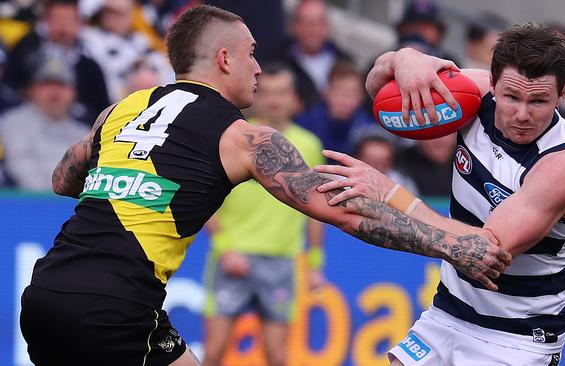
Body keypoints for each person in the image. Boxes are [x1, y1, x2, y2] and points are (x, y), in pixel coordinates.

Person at [19, 6, 511, 366]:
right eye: (252, 55)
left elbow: (64, 179)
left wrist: (125, 173)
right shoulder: (245, 138)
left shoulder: (121, 108)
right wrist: (450, 243)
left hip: (44, 296)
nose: (259, 67)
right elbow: (345, 211)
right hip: (114, 309)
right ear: (226, 58)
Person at [315, 23, 565, 365]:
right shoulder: (473, 93)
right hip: (446, 313)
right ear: (491, 81)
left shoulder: (564, 163)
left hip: (517, 337)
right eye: (511, 97)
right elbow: (379, 92)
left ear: (562, 94)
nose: (522, 114)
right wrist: (403, 59)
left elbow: (486, 250)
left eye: (539, 101)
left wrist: (387, 192)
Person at [202, 62, 326, 366]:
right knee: (214, 352)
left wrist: (314, 264)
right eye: (268, 92)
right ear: (257, 95)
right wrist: (224, 248)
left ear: (294, 98)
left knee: (277, 356)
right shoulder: (234, 137)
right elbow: (204, 200)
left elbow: (315, 211)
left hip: (281, 261)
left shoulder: (309, 145)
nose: (274, 100)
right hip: (233, 257)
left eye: (282, 92)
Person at [5, 0, 110, 126]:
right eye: (57, 20)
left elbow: (102, 112)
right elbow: (9, 92)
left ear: (79, 24)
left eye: (69, 21)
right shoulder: (25, 53)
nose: (63, 28)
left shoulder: (90, 69)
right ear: (45, 21)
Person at [0, 50, 88, 191]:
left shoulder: (84, 132)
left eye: (61, 84)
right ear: (31, 90)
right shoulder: (11, 123)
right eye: (46, 83)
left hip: (72, 206)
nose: (54, 91)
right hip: (25, 205)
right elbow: (20, 169)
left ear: (73, 92)